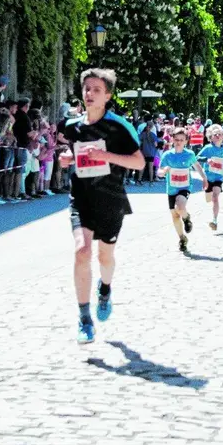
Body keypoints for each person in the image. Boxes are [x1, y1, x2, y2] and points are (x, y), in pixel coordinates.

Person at [56, 69, 145, 344]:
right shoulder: (72, 126)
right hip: (81, 198)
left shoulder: (119, 126)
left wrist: (105, 155)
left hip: (111, 199)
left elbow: (139, 162)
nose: (89, 94)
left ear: (107, 95)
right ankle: (84, 318)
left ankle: (105, 289)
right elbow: (78, 151)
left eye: (96, 89)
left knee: (105, 257)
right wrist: (68, 158)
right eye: (86, 88)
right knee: (82, 251)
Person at [159, 128, 205, 252]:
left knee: (180, 205)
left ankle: (186, 218)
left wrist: (204, 179)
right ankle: (182, 238)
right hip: (171, 188)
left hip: (185, 187)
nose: (178, 142)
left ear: (186, 141)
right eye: (176, 139)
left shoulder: (189, 154)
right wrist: (163, 172)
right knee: (174, 216)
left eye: (181, 140)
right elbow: (160, 170)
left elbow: (198, 167)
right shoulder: (167, 155)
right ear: (172, 140)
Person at [196, 125, 223, 231]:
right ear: (210, 137)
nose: (217, 136)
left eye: (219, 134)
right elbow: (197, 157)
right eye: (215, 134)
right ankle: (208, 194)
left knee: (215, 197)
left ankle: (214, 220)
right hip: (208, 176)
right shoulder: (207, 148)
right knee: (209, 198)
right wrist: (207, 160)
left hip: (218, 176)